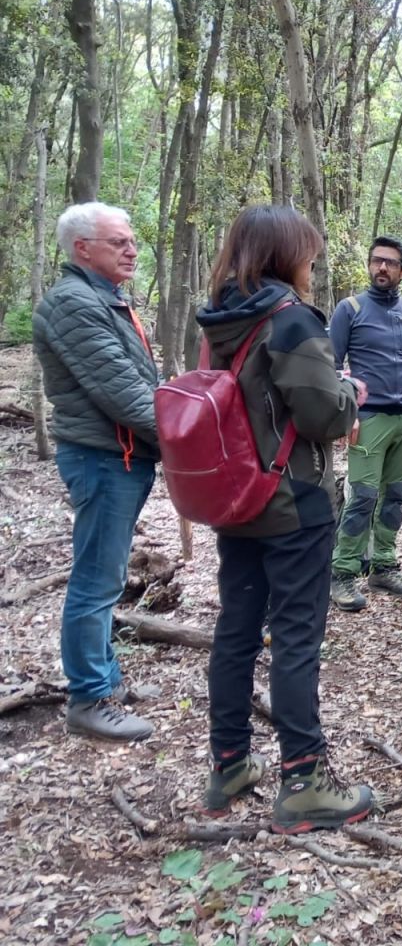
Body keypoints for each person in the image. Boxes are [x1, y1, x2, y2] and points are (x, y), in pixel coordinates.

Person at [196, 205, 374, 833]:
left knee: (237, 629)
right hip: (293, 500)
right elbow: (324, 414)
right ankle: (303, 782)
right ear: (284, 255)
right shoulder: (290, 319)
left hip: (236, 496)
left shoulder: (218, 317)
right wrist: (350, 393)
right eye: (308, 254)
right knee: (296, 636)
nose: (312, 265)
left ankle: (229, 764)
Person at [33, 202, 159, 741]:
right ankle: (88, 698)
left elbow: (139, 381)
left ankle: (105, 680)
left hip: (120, 457)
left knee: (106, 575)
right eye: (118, 242)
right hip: (104, 459)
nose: (131, 250)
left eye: (131, 241)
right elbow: (124, 393)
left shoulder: (105, 299)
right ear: (82, 249)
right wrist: (189, 441)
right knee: (96, 580)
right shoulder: (73, 303)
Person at [328, 236, 402, 611]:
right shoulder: (350, 309)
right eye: (377, 260)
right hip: (368, 418)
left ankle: (383, 566)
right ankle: (343, 571)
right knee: (362, 496)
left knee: (394, 497)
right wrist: (345, 413)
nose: (382, 267)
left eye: (390, 263)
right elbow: (332, 366)